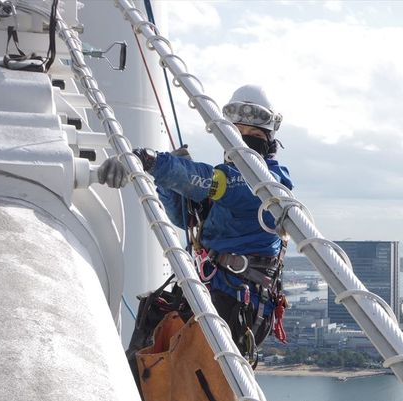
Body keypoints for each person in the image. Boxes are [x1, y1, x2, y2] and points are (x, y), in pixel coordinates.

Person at [98, 84, 292, 365]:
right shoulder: (228, 182)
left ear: (269, 140)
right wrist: (174, 185)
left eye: (254, 135)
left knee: (180, 373)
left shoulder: (267, 184)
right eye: (237, 134)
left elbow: (213, 181)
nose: (244, 142)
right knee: (148, 347)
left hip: (234, 303)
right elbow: (184, 217)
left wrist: (147, 160)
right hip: (210, 291)